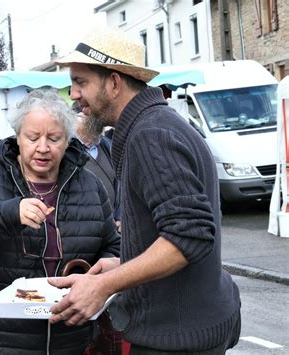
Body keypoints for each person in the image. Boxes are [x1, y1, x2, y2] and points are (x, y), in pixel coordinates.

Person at [49, 27, 241, 354]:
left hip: (177, 338)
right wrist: (126, 261)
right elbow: (173, 230)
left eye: (81, 82)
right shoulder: (157, 124)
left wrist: (104, 285)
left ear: (113, 82)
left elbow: (189, 236)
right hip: (191, 326)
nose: (74, 95)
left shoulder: (149, 137)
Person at [0, 89, 120, 354]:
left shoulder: (90, 185)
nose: (43, 148)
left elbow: (110, 246)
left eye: (54, 138)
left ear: (67, 140)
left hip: (69, 340)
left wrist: (107, 268)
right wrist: (7, 214)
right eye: (33, 137)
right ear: (18, 138)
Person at [73, 104, 122, 231]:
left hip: (113, 230)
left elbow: (122, 184)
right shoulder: (67, 151)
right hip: (82, 230)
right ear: (74, 118)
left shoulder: (109, 147)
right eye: (87, 116)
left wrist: (120, 217)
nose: (96, 121)